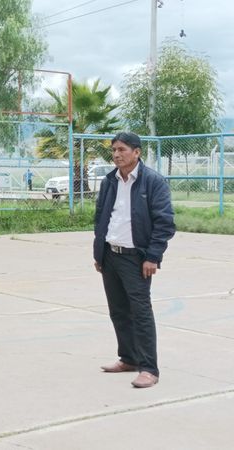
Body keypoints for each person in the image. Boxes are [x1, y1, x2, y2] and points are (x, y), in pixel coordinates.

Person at [94, 132, 175, 388]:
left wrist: (153, 256)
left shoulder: (153, 181)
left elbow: (165, 223)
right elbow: (101, 218)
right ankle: (128, 358)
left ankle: (149, 368)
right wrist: (100, 253)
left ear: (137, 152)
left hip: (136, 259)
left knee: (140, 313)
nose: (116, 154)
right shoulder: (110, 181)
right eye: (113, 150)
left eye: (122, 149)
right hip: (110, 255)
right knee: (118, 311)